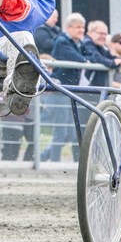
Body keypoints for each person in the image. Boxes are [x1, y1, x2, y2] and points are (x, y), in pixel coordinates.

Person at [40, 12, 89, 162]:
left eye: (82, 27)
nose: (81, 30)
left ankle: (43, 157)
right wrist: (85, 60)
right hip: (58, 91)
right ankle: (54, 162)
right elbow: (77, 58)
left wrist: (87, 59)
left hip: (69, 92)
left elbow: (89, 56)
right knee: (60, 130)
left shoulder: (79, 43)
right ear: (69, 28)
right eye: (77, 27)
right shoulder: (62, 41)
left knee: (69, 133)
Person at [81, 21, 121, 87]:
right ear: (90, 32)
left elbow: (108, 57)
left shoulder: (99, 45)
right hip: (87, 89)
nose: (103, 36)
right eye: (101, 33)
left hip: (96, 89)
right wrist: (113, 63)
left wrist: (118, 61)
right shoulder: (87, 43)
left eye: (105, 34)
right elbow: (96, 58)